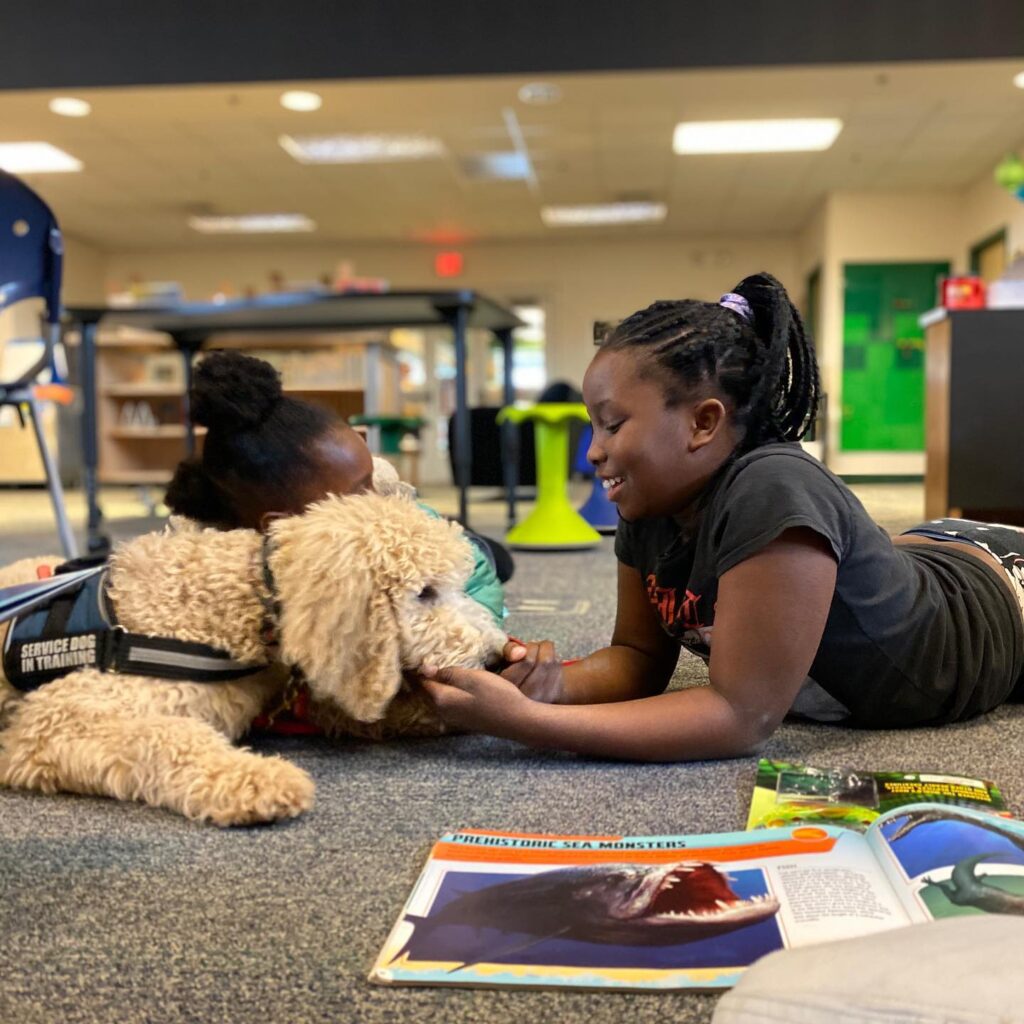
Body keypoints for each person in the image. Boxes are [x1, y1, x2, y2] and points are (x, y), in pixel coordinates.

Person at [419, 272, 1024, 761]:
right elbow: (636, 655)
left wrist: (529, 725)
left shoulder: (773, 488)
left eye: (613, 423)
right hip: (926, 550)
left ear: (703, 423)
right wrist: (553, 687)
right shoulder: (648, 500)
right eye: (592, 425)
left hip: (998, 602)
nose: (594, 449)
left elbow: (740, 715)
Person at [164, 350, 510, 622]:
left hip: (452, 543)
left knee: (485, 556)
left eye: (369, 480)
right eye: (359, 493)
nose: (376, 499)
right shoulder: (209, 557)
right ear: (283, 525)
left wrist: (480, 621)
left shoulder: (395, 508)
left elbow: (474, 579)